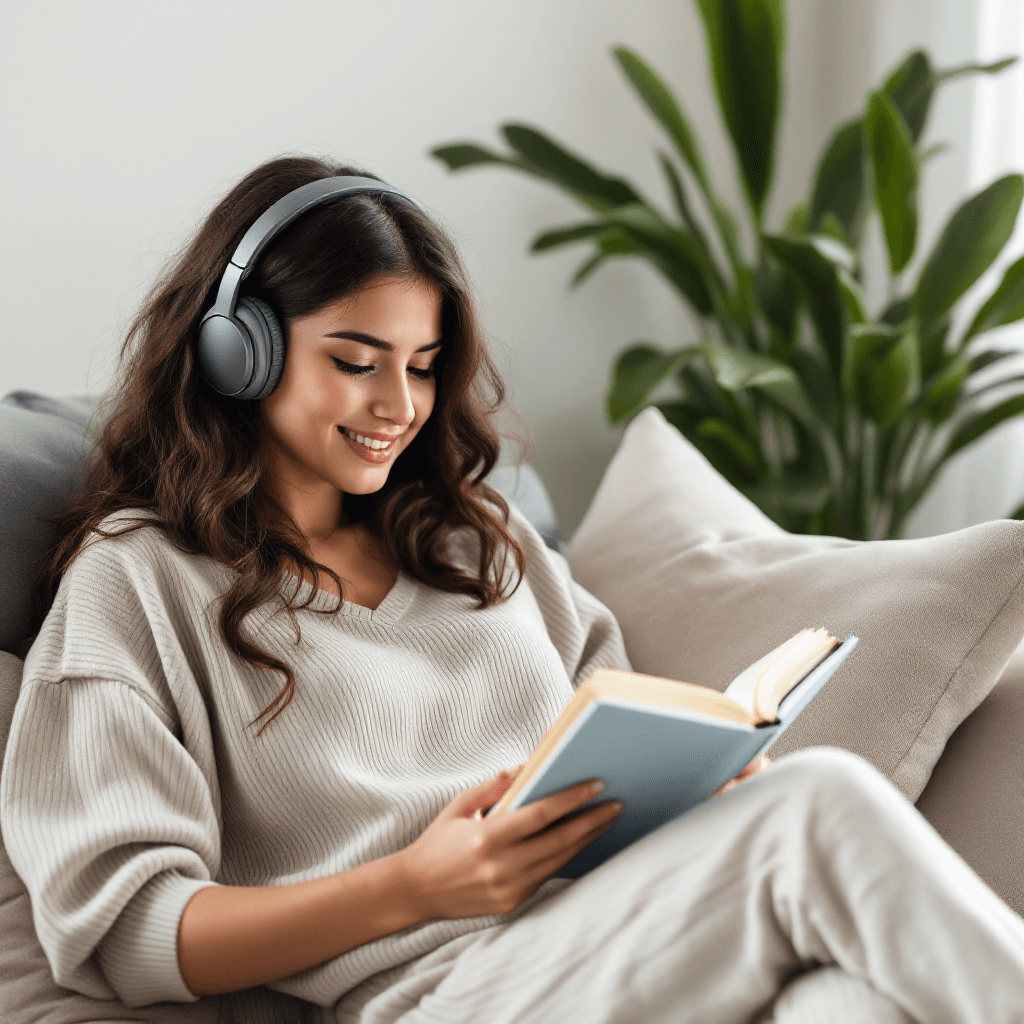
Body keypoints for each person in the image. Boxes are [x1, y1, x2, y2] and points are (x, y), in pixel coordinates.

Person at [3, 156, 1024, 1024]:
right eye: (355, 361)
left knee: (850, 1003)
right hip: (446, 992)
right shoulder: (137, 581)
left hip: (630, 938)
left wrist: (703, 790)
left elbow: (614, 724)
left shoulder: (479, 540)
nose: (397, 405)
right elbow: (127, 930)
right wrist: (412, 885)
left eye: (422, 364)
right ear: (240, 354)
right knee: (824, 799)